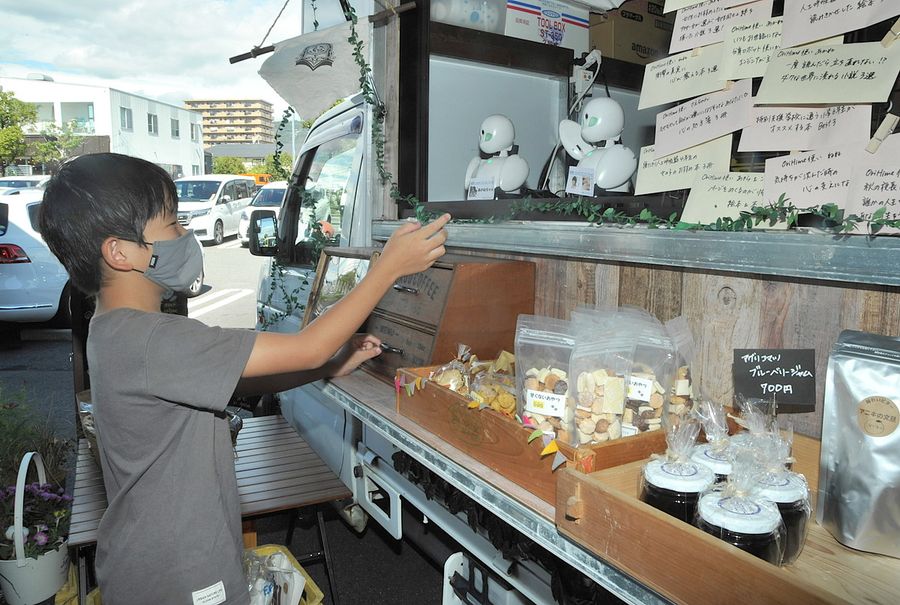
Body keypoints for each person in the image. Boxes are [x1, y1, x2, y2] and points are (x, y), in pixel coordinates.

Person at [39, 153, 450, 605]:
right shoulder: (155, 339)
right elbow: (309, 344)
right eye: (174, 225)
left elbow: (239, 378)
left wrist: (328, 367)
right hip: (181, 570)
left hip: (145, 559)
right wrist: (386, 268)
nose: (186, 236)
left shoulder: (114, 329)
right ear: (121, 252)